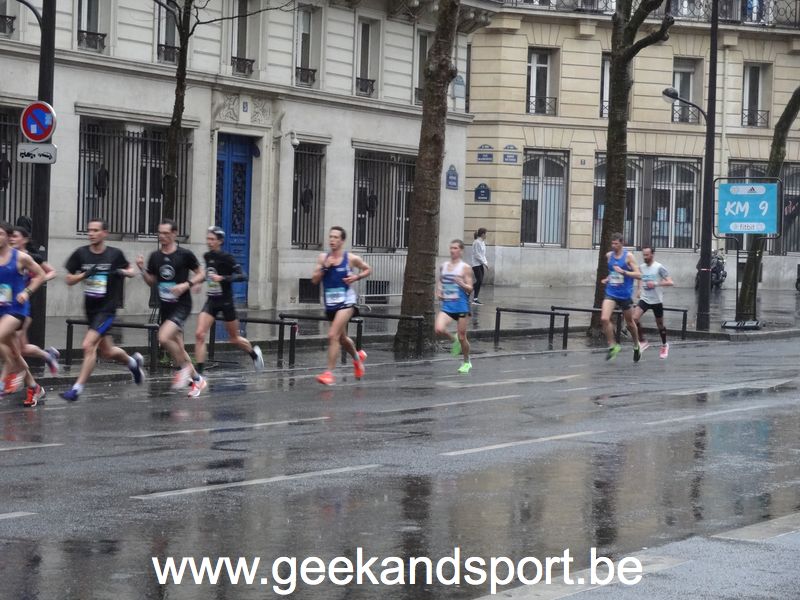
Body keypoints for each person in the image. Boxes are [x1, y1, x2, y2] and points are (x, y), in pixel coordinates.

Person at [61, 219, 144, 402]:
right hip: (91, 309)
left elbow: (131, 271)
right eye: (89, 230)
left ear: (105, 233)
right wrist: (84, 275)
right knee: (107, 352)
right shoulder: (81, 253)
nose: (91, 234)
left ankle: (76, 389)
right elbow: (68, 279)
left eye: (95, 230)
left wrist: (123, 272)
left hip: (107, 309)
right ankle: (133, 363)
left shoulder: (114, 254)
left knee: (88, 345)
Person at [137, 219, 206, 397]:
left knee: (163, 337)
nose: (162, 236)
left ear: (174, 234)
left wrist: (186, 285)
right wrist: (142, 269)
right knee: (179, 349)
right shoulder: (155, 256)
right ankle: (197, 379)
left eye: (166, 233)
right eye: (160, 233)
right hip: (166, 307)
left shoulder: (184, 254)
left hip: (182, 305)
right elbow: (151, 281)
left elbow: (201, 273)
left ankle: (184, 370)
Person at [194, 226, 264, 382]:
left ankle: (254, 354)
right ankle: (199, 374)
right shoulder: (207, 256)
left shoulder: (227, 258)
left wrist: (223, 278)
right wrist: (198, 282)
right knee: (199, 334)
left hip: (226, 301)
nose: (209, 242)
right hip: (212, 300)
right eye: (208, 239)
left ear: (220, 241)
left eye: (212, 239)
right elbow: (208, 273)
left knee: (234, 338)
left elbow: (243, 276)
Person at [311, 226, 370, 386]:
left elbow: (368, 269)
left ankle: (329, 373)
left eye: (336, 237)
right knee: (342, 338)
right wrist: (325, 267)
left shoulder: (350, 258)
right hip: (331, 305)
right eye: (331, 236)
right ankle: (357, 359)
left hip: (347, 302)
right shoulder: (323, 258)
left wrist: (356, 277)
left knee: (333, 335)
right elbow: (314, 280)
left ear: (342, 241)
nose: (332, 240)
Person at [0, 222, 48, 406]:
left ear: (8, 236)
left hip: (17, 310)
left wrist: (27, 292)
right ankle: (34, 387)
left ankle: (5, 380)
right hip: (1, 309)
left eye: (0, 234)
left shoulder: (20, 257)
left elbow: (41, 275)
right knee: (14, 351)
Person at [6, 226, 60, 376]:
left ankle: (17, 378)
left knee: (16, 347)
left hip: (24, 305)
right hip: (8, 304)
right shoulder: (7, 256)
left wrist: (35, 282)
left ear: (24, 239)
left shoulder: (31, 258)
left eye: (15, 236)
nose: (11, 239)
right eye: (10, 236)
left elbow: (52, 272)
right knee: (21, 348)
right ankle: (48, 355)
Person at [600, 232, 641, 362]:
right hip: (611, 292)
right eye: (612, 244)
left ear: (622, 243)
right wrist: (608, 278)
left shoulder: (628, 257)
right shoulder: (609, 256)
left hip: (625, 295)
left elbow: (639, 275)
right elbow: (612, 272)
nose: (614, 246)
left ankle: (636, 345)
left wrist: (624, 272)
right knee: (604, 318)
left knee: (630, 323)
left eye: (616, 244)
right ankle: (613, 346)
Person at [435, 239, 474, 374]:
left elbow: (470, 288)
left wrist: (461, 283)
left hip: (462, 306)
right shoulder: (444, 266)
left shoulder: (465, 268)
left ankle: (467, 362)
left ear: (461, 251)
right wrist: (439, 291)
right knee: (439, 329)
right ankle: (454, 339)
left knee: (463, 337)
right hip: (447, 305)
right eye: (451, 248)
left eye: (456, 248)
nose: (452, 250)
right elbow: (441, 281)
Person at [633, 246, 674, 359]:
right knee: (634, 318)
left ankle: (664, 345)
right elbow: (640, 278)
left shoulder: (659, 267)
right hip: (645, 299)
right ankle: (642, 341)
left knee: (660, 325)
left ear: (652, 254)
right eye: (644, 255)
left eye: (647, 255)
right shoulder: (642, 267)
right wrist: (639, 289)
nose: (645, 257)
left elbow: (670, 282)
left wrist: (655, 284)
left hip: (656, 300)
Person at [470, 228, 488, 305]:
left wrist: (486, 263)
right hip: (476, 264)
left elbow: (483, 254)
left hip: (480, 264)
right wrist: (484, 263)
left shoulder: (482, 242)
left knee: (480, 282)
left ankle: (475, 299)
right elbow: (477, 255)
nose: (486, 235)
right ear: (483, 234)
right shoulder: (476, 242)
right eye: (486, 234)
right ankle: (468, 291)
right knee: (479, 280)